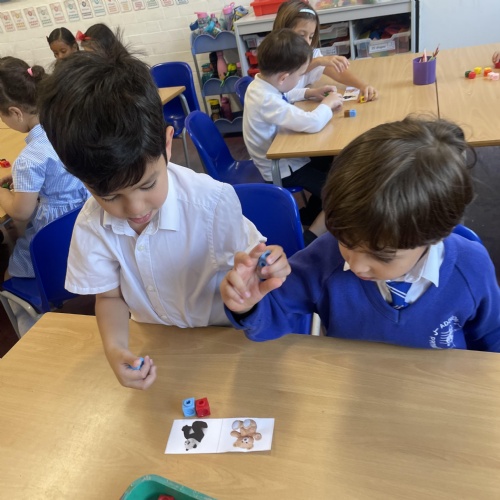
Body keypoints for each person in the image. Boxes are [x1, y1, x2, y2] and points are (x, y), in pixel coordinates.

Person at [38, 50, 289, 390]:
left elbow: (253, 267)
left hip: (226, 341)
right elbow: (109, 298)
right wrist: (115, 348)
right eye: (110, 196)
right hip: (159, 348)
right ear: (82, 180)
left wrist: (265, 266)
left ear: (167, 145)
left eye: (147, 185)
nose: (134, 208)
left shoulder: (212, 202)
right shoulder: (91, 224)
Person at [221, 116, 500, 352]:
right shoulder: (325, 258)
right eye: (346, 241)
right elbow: (275, 314)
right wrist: (248, 304)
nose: (355, 265)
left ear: (434, 236)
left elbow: (491, 337)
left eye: (381, 255)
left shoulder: (471, 268)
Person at [244, 28, 343, 242]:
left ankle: (312, 211)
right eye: (300, 75)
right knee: (341, 194)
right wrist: (327, 104)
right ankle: (308, 238)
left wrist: (310, 92)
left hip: (286, 157)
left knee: (329, 161)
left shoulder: (260, 84)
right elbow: (312, 122)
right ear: (283, 77)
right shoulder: (266, 99)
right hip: (283, 167)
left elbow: (285, 93)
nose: (300, 79)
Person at [0, 57, 88, 280]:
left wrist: (1, 192)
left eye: (2, 115)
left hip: (55, 240)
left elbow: (21, 212)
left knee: (8, 276)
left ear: (16, 112)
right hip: (86, 226)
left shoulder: (29, 158)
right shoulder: (67, 129)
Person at [274, 0, 378, 102]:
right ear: (283, 32)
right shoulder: (273, 58)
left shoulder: (311, 54)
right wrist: (318, 61)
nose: (307, 42)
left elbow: (337, 72)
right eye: (301, 35)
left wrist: (363, 86)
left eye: (311, 37)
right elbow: (288, 79)